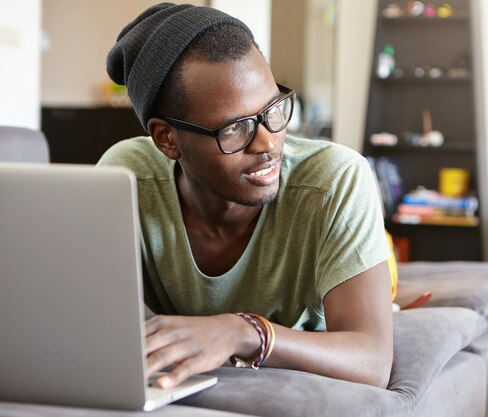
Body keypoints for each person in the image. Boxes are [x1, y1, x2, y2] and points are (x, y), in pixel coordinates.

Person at [98, 2, 392, 390]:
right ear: (166, 139)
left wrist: (244, 332)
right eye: (235, 128)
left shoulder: (334, 180)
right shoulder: (126, 177)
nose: (269, 144)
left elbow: (372, 360)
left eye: (273, 108)